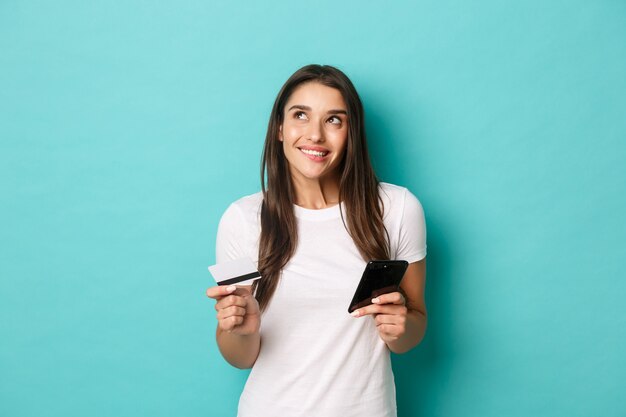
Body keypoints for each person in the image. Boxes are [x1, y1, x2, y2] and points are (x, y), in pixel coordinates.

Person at [206, 64, 427, 417]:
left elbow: (413, 328)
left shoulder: (397, 209)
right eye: (300, 115)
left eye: (334, 120)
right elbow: (238, 357)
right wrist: (243, 331)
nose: (315, 135)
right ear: (279, 128)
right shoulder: (241, 218)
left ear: (351, 132)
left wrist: (401, 328)